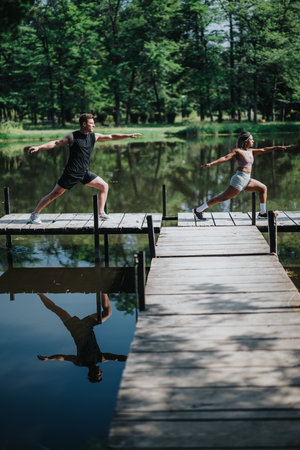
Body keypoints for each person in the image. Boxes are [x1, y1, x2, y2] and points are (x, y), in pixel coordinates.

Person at [28, 113, 142, 224]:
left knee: (104, 186)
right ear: (84, 124)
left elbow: (111, 136)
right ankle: (35, 215)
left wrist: (128, 135)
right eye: (91, 123)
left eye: (93, 123)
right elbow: (56, 143)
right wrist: (39, 147)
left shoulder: (93, 136)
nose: (94, 125)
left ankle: (101, 213)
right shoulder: (72, 137)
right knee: (54, 194)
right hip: (71, 173)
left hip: (84, 172)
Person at [193, 131, 292, 221]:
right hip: (239, 179)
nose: (253, 141)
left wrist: (276, 147)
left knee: (263, 188)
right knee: (222, 198)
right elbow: (225, 157)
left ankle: (262, 213)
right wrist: (211, 164)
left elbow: (264, 149)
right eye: (251, 139)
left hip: (247, 180)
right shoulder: (238, 151)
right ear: (246, 141)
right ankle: (198, 210)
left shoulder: (251, 151)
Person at [36, 293, 127, 383]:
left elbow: (63, 358)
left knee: (57, 309)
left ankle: (40, 293)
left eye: (99, 374)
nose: (101, 372)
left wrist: (49, 358)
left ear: (92, 374)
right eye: (101, 374)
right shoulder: (100, 358)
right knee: (107, 313)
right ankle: (102, 289)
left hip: (76, 328)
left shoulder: (81, 362)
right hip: (86, 326)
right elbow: (117, 358)